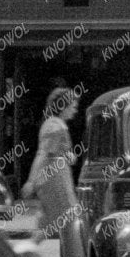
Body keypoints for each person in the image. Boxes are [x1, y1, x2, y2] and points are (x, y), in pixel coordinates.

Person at [23, 88, 79, 238]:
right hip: (55, 180)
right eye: (72, 107)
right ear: (63, 107)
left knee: (51, 221)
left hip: (54, 177)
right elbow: (44, 154)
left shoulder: (54, 124)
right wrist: (31, 181)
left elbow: (54, 151)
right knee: (69, 217)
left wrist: (68, 156)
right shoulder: (55, 126)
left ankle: (28, 249)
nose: (74, 111)